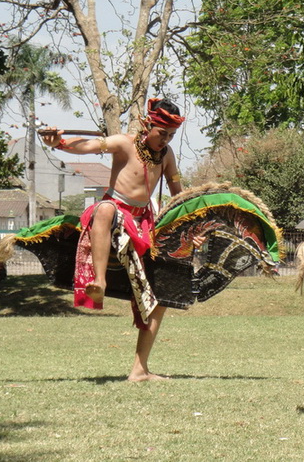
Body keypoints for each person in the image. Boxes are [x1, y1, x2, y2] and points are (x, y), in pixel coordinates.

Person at [41, 98, 198, 381]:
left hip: (146, 222)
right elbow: (88, 146)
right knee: (103, 209)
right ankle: (98, 281)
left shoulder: (167, 155)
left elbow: (178, 194)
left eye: (171, 135)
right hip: (116, 212)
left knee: (161, 292)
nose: (166, 140)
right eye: (162, 133)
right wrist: (58, 143)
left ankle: (140, 370)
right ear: (147, 124)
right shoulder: (124, 143)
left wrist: (188, 225)